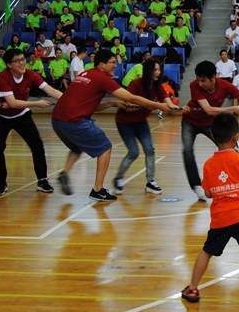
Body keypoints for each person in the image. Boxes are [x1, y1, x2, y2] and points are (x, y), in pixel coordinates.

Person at [180, 113, 239, 308]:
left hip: (221, 219)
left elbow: (207, 193)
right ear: (236, 137)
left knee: (207, 252)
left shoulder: (209, 164)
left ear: (213, 137)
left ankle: (192, 288)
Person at [52, 49, 170, 202]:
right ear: (101, 64)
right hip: (74, 121)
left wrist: (112, 103)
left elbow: (87, 104)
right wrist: (158, 105)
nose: (115, 65)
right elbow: (131, 97)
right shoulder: (103, 78)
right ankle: (98, 190)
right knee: (105, 148)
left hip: (57, 120)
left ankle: (65, 173)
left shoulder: (84, 75)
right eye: (113, 63)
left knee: (76, 146)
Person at [181, 61, 239, 201]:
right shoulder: (194, 85)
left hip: (208, 124)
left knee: (230, 150)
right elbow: (208, 109)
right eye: (198, 80)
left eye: (203, 80)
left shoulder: (225, 86)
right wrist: (233, 109)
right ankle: (196, 186)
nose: (200, 84)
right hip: (190, 121)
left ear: (213, 77)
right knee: (187, 150)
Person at [0, 48, 64, 195]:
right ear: (9, 65)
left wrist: (70, 100)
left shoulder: (30, 75)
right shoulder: (3, 77)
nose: (22, 63)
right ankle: (1, 182)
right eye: (17, 61)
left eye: (23, 59)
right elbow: (12, 103)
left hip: (21, 115)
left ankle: (42, 180)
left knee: (37, 144)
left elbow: (50, 90)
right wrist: (37, 103)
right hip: (0, 116)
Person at [112, 58, 180, 194]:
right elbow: (128, 107)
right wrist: (150, 105)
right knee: (134, 152)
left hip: (142, 122)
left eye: (159, 70)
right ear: (148, 70)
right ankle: (118, 178)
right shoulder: (135, 84)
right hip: (125, 122)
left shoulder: (158, 87)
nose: (158, 72)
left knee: (150, 150)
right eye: (155, 69)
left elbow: (167, 101)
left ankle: (150, 181)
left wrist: (176, 108)